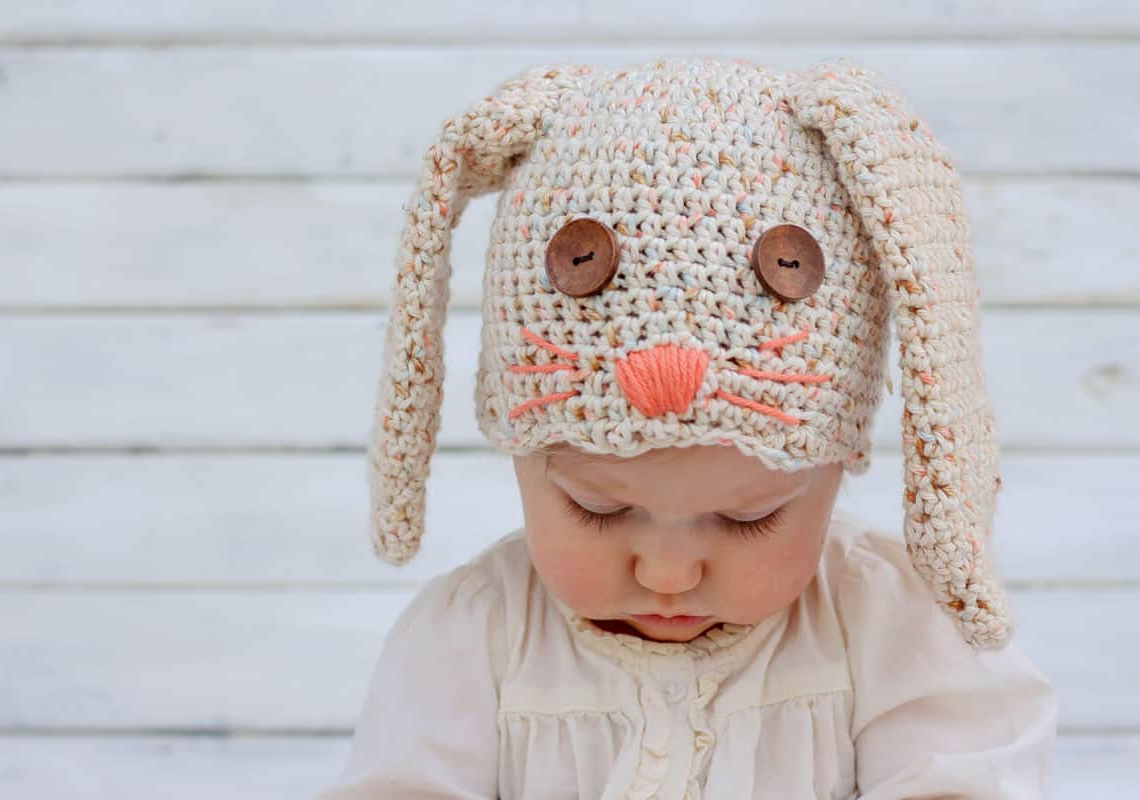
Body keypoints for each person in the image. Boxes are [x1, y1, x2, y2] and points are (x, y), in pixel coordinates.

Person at [319, 54, 1059, 798]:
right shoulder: (475, 635)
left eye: (749, 517)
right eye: (596, 509)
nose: (668, 575)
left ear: (834, 465)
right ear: (519, 454)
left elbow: (966, 776)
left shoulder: (886, 624)